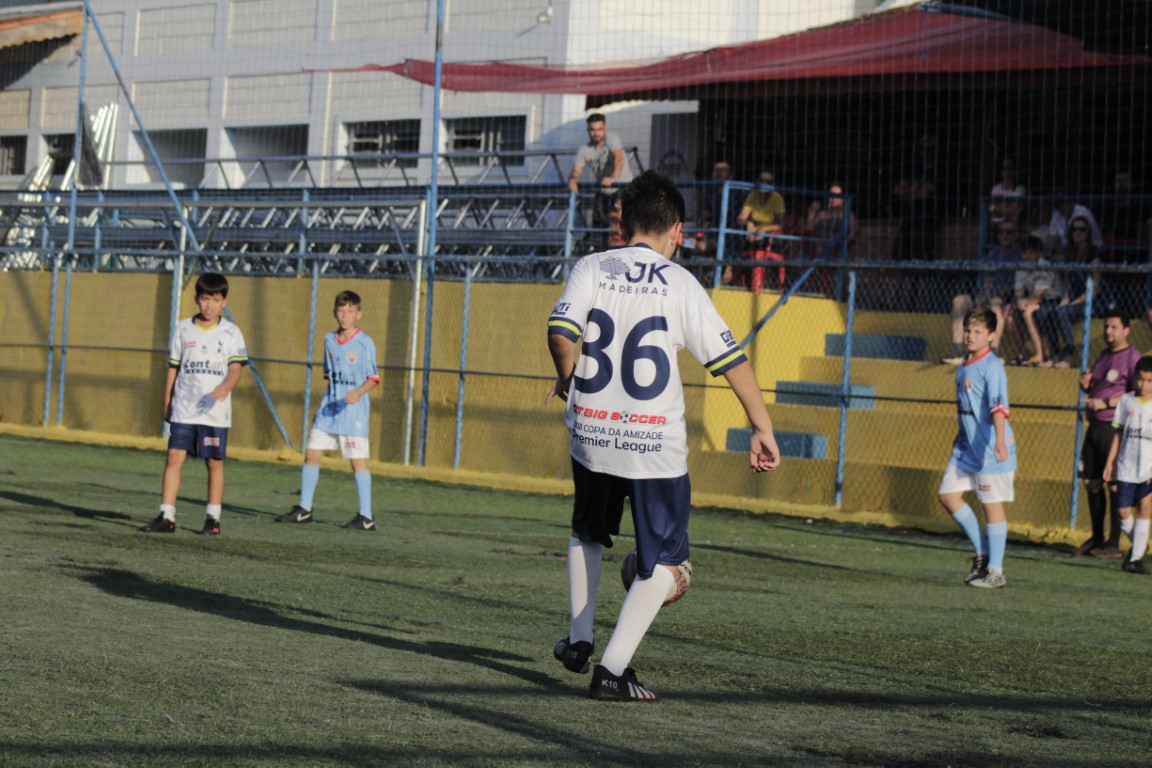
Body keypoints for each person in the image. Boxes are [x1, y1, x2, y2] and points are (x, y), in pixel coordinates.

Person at [545, 170, 780, 701]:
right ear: (676, 231)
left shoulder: (592, 265)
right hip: (653, 444)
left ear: (622, 225)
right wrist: (762, 427)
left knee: (588, 530)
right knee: (669, 563)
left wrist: (567, 378)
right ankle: (611, 671)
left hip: (591, 429)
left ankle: (579, 642)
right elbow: (731, 361)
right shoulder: (681, 283)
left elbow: (561, 333)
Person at [140, 272, 248, 535]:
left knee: (214, 462)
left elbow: (236, 369)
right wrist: (167, 401)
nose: (209, 305)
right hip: (184, 408)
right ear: (196, 299)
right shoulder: (183, 328)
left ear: (224, 302)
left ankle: (213, 519)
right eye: (205, 298)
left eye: (215, 300)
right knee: (174, 457)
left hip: (214, 412)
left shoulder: (232, 332)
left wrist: (226, 386)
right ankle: (166, 516)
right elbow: (173, 368)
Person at [276, 290, 381, 530]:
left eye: (350, 311)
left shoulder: (365, 343)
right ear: (335, 312)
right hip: (329, 411)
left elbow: (374, 378)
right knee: (311, 454)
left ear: (359, 314)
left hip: (353, 413)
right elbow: (330, 378)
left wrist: (358, 392)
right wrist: (322, 406)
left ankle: (366, 517)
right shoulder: (329, 340)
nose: (345, 316)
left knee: (357, 462)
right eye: (341, 311)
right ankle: (305, 509)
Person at [937, 308, 1016, 589]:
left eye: (978, 331)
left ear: (991, 336)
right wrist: (960, 435)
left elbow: (998, 407)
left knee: (990, 506)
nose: (970, 335)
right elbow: (967, 407)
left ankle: (996, 571)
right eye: (968, 330)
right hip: (966, 447)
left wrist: (999, 441)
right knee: (948, 496)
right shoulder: (964, 363)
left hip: (989, 448)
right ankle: (983, 555)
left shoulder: (992, 367)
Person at [1072, 311, 1142, 558]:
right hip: (1094, 426)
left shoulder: (1133, 358)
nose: (1108, 331)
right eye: (1106, 327)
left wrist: (1107, 403)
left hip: (1114, 428)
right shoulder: (1103, 355)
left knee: (1113, 483)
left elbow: (1138, 394)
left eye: (1114, 327)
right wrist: (1087, 385)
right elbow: (1098, 387)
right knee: (1090, 482)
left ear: (1126, 330)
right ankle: (1096, 537)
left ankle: (1113, 543)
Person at [1102, 355, 1152, 574]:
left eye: (1149, 381)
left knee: (1144, 508)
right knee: (1123, 512)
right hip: (1126, 466)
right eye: (1140, 379)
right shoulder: (1126, 401)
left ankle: (1136, 559)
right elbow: (1118, 434)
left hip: (1148, 467)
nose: (1144, 385)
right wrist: (1110, 462)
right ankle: (1139, 546)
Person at [943, 221, 1019, 364]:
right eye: (1001, 231)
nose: (1004, 235)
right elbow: (988, 281)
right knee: (959, 301)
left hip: (1008, 298)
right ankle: (957, 350)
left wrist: (994, 296)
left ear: (1015, 234)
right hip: (990, 295)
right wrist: (985, 295)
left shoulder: (1019, 254)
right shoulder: (994, 253)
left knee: (995, 304)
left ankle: (993, 352)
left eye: (1009, 232)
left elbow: (1018, 284)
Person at [1037, 216, 1102, 369]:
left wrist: (1074, 302)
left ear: (1087, 232)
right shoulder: (1070, 254)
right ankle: (1054, 354)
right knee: (1045, 312)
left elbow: (1094, 288)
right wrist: (1065, 300)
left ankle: (1068, 356)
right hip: (1073, 300)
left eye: (1081, 229)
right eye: (1074, 229)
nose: (1077, 233)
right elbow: (1067, 284)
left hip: (1091, 302)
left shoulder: (1093, 255)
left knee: (1062, 312)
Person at [568, 113, 630, 247]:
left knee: (621, 227)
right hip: (604, 192)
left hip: (622, 189)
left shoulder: (612, 139)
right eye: (592, 130)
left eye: (599, 129)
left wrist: (614, 177)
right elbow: (577, 169)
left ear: (605, 128)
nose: (596, 133)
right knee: (599, 225)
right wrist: (573, 179)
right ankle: (601, 251)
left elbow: (618, 158)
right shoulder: (585, 149)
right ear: (588, 130)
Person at [1006, 236, 1062, 366]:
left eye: (1031, 252)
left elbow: (1037, 296)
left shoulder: (1045, 266)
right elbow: (1018, 291)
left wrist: (1024, 302)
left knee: (1028, 311)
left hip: (1052, 299)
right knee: (1008, 311)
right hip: (1032, 298)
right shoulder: (1022, 266)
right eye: (1024, 252)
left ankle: (1039, 354)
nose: (1027, 256)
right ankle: (1022, 353)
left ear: (1038, 253)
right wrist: (1019, 301)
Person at [989, 158, 1026, 229]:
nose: (1007, 170)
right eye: (1004, 168)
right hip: (995, 222)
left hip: (1011, 223)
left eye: (1010, 168)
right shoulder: (995, 188)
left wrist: (999, 207)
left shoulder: (1020, 189)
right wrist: (1007, 206)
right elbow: (991, 208)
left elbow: (1013, 209)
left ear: (1014, 170)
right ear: (1001, 171)